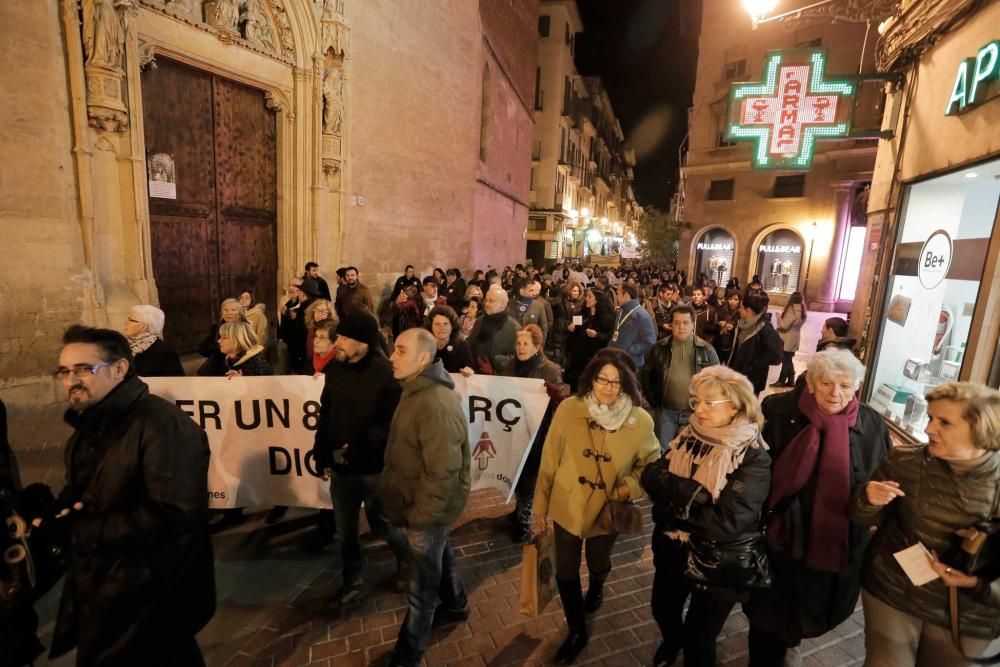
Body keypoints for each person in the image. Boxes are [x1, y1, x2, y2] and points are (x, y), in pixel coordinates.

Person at [49, 326, 214, 665]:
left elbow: (175, 513)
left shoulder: (163, 426)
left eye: (83, 369)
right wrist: (59, 511)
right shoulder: (89, 425)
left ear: (120, 369)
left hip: (148, 597)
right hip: (106, 588)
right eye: (64, 371)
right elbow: (86, 486)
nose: (71, 380)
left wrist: (83, 530)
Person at [745, 349, 890, 666]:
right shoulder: (777, 411)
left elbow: (880, 476)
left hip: (835, 543)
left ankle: (790, 644)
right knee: (767, 621)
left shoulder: (872, 426)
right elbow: (753, 468)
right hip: (778, 540)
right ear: (810, 383)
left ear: (856, 387)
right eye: (826, 383)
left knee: (808, 612)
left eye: (845, 385)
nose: (835, 393)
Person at [851, 381, 1000, 665]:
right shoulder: (904, 460)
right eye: (931, 418)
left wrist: (977, 584)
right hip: (894, 587)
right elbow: (862, 518)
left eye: (945, 422)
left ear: (981, 429)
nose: (929, 428)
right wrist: (866, 499)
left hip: (969, 608)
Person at [532, 348, 659, 664]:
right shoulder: (569, 409)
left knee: (598, 558)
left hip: (608, 507)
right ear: (590, 379)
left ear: (626, 384)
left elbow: (652, 466)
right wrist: (539, 507)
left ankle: (599, 583)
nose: (608, 387)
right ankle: (577, 630)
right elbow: (549, 458)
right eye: (602, 379)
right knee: (565, 569)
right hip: (568, 502)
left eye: (616, 382)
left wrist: (627, 487)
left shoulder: (639, 420)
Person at [641, 366, 771, 667]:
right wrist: (691, 494)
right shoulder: (690, 435)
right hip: (673, 550)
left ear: (736, 405)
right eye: (695, 401)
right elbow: (651, 475)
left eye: (708, 403)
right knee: (662, 609)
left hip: (719, 562)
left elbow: (728, 522)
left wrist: (671, 506)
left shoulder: (752, 456)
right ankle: (673, 641)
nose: (697, 410)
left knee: (701, 638)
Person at [382, 329, 471, 667]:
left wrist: (421, 517)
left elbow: (443, 474)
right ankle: (458, 604)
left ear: (422, 358)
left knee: (421, 591)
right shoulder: (415, 389)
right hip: (422, 507)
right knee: (440, 552)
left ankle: (409, 654)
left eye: (400, 351)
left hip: (427, 510)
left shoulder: (434, 404)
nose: (392, 356)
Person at [310, 310, 410, 608]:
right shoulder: (336, 369)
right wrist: (322, 452)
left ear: (362, 341)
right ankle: (351, 583)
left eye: (343, 337)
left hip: (373, 469)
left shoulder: (386, 374)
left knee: (383, 525)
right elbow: (325, 412)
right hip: (341, 469)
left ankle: (406, 560)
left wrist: (356, 446)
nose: (337, 341)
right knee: (346, 532)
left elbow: (388, 424)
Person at [498, 325, 564, 542]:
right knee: (515, 473)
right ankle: (519, 508)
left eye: (526, 343)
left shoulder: (550, 369)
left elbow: (560, 404)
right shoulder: (510, 366)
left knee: (528, 478)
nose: (521, 347)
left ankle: (524, 521)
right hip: (513, 429)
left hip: (536, 435)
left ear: (538, 347)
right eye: (518, 343)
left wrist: (553, 394)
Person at [642, 306, 720, 450]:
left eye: (685, 323)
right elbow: (647, 375)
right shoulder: (659, 348)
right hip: (666, 412)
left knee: (689, 456)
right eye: (677, 323)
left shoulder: (707, 350)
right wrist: (654, 403)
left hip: (695, 414)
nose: (681, 327)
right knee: (661, 452)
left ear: (693, 324)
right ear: (671, 325)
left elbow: (718, 384)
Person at [727, 293, 783, 394]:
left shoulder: (765, 329)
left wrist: (752, 366)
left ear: (748, 310)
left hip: (752, 381)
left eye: (741, 307)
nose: (739, 310)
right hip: (736, 377)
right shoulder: (741, 324)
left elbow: (776, 355)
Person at [564, 288, 614, 389]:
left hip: (595, 357)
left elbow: (611, 335)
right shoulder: (581, 313)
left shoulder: (608, 317)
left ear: (597, 300)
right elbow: (573, 334)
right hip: (578, 356)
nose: (586, 298)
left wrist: (597, 335)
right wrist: (572, 327)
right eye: (586, 296)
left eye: (590, 296)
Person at [466, 286, 520, 374]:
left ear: (503, 304)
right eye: (486, 300)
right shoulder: (480, 321)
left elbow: (517, 356)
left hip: (499, 377)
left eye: (491, 301)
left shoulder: (514, 328)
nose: (486, 304)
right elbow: (470, 345)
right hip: (476, 373)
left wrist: (495, 362)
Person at [123, 304, 184, 377]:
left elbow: (176, 381)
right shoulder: (123, 346)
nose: (126, 323)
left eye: (131, 320)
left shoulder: (164, 351)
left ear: (144, 326)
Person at [610, 283, 656, 371]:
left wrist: (629, 349)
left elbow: (650, 342)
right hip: (617, 360)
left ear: (626, 295)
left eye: (617, 293)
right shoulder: (620, 311)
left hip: (632, 365)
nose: (616, 296)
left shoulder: (642, 316)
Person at [198, 297, 245, 376]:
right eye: (226, 310)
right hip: (216, 369)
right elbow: (202, 349)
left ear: (240, 314)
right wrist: (219, 348)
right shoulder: (216, 328)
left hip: (239, 368)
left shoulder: (244, 328)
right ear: (222, 313)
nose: (229, 313)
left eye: (233, 310)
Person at [427, 305, 474, 374]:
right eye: (437, 324)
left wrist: (469, 371)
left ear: (452, 326)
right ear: (431, 326)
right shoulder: (424, 345)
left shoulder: (462, 346)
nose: (441, 327)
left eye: (445, 324)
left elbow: (471, 369)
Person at [773, 292, 806, 388]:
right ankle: (791, 380)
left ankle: (781, 381)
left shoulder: (791, 310)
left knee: (786, 361)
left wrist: (779, 318)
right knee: (788, 359)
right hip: (795, 338)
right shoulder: (802, 310)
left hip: (786, 338)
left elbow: (784, 325)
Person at [278, 278, 310, 374]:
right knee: (284, 372)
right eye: (290, 285)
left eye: (295, 286)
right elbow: (280, 320)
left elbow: (297, 320)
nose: (291, 288)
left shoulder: (304, 304)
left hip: (299, 346)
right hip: (284, 342)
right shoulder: (286, 301)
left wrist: (285, 310)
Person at [304, 298, 336, 366]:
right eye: (317, 311)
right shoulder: (309, 329)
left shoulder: (333, 330)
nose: (319, 314)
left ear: (329, 314)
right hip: (311, 364)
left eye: (323, 311)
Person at [713, 290, 742, 365]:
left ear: (740, 301)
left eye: (735, 299)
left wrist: (734, 327)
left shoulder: (741, 314)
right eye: (730, 299)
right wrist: (719, 324)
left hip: (732, 347)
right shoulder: (720, 310)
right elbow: (712, 326)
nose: (732, 301)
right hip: (719, 345)